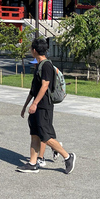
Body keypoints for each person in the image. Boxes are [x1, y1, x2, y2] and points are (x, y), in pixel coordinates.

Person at [17, 37, 75, 174]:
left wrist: (35, 104)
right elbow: (33, 89)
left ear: (34, 50)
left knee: (45, 136)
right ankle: (32, 163)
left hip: (44, 106)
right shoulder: (38, 66)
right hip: (36, 107)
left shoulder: (47, 66)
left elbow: (45, 86)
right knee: (35, 135)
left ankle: (68, 157)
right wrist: (26, 105)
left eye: (31, 48)